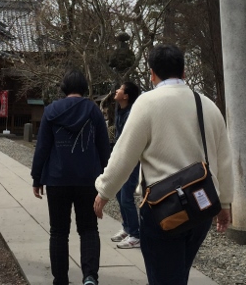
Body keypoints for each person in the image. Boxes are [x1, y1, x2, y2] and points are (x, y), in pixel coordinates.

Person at [93, 44, 234, 285]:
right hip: (201, 207)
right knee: (178, 274)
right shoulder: (208, 106)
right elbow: (224, 160)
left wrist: (104, 191)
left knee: (164, 277)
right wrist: (224, 204)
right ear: (184, 72)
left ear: (152, 73)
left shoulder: (147, 103)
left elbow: (124, 154)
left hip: (163, 208)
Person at [31, 70, 110, 285]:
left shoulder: (51, 111)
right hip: (88, 178)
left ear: (64, 88)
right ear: (84, 87)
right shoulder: (93, 110)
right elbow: (103, 147)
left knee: (58, 231)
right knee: (88, 228)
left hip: (57, 178)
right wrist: (107, 179)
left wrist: (36, 177)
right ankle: (90, 277)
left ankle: (61, 280)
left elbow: (43, 147)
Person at [109, 80, 141, 249]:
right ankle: (128, 227)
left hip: (132, 160)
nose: (116, 91)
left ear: (126, 96)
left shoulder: (132, 113)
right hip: (120, 158)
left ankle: (136, 235)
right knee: (118, 193)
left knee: (126, 196)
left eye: (120, 89)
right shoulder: (119, 109)